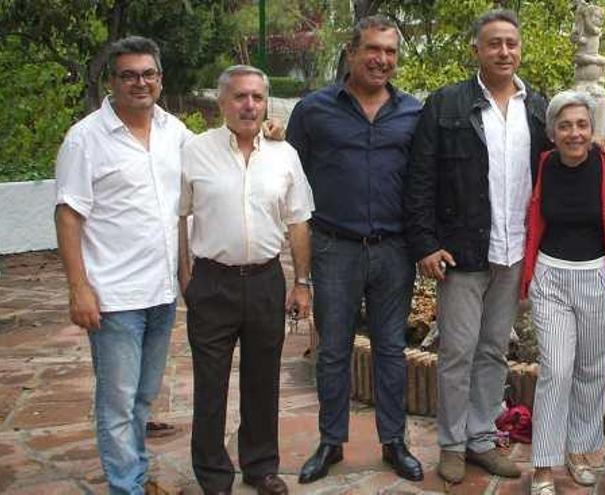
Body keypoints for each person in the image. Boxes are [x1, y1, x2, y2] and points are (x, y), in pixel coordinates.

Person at [405, 8, 551, 484]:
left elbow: (560, 165)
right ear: (476, 50)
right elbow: (420, 178)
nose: (504, 51)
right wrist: (425, 243)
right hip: (463, 253)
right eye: (494, 43)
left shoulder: (538, 107)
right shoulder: (446, 104)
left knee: (493, 350)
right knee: (457, 352)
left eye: (511, 43)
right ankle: (451, 443)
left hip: (513, 251)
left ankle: (482, 438)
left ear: (520, 48)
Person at [285, 15, 424, 484]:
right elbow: (289, 175)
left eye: (389, 52)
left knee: (390, 349)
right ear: (351, 52)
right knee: (332, 352)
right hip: (333, 248)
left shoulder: (413, 112)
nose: (381, 59)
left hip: (394, 251)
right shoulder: (313, 110)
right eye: (372, 49)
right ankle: (330, 442)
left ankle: (394, 441)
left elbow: (426, 181)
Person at [54, 36, 191, 495]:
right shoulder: (86, 138)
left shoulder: (176, 132)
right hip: (113, 297)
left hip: (162, 291)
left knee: (142, 399)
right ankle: (126, 486)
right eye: (128, 75)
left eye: (147, 74)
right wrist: (79, 288)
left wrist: (268, 135)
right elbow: (69, 213)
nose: (140, 82)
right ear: (111, 81)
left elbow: (212, 164)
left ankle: (133, 472)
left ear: (160, 79)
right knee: (116, 403)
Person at [178, 65, 314, 495]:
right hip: (212, 283)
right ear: (222, 102)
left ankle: (260, 466)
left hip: (265, 281)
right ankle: (214, 475)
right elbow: (178, 216)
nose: (249, 105)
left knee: (262, 380)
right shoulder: (194, 152)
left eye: (257, 97)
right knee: (211, 384)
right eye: (240, 96)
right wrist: (186, 276)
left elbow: (298, 223)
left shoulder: (284, 155)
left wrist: (301, 282)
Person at [520, 90, 605, 495]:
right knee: (557, 370)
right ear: (552, 132)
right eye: (565, 125)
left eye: (582, 124)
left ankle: (579, 451)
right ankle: (544, 463)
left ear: (593, 129)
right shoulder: (543, 163)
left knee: (594, 369)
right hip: (551, 278)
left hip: (597, 276)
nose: (574, 133)